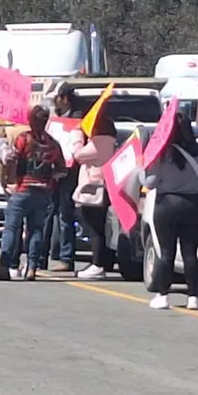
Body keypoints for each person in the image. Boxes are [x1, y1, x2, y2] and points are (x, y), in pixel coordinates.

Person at [0, 105, 64, 281]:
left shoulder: (24, 139)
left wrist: (5, 149)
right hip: (43, 191)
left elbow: (12, 159)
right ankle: (32, 267)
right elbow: (62, 169)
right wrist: (50, 178)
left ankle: (4, 265)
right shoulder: (53, 144)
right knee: (36, 230)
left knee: (11, 228)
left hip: (23, 188)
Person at [140, 114, 198, 310]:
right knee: (190, 253)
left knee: (166, 251)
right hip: (193, 203)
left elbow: (149, 183)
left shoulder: (162, 154)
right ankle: (194, 297)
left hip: (167, 203)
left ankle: (163, 295)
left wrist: (145, 167)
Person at [71, 101, 119, 280]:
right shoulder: (108, 141)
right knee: (99, 228)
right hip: (100, 186)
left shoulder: (100, 142)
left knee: (95, 228)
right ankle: (101, 263)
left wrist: (77, 136)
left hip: (94, 189)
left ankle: (98, 264)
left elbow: (78, 155)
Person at [43, 84, 85, 273]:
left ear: (65, 98)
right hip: (52, 171)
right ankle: (40, 257)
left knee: (65, 215)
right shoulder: (55, 120)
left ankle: (66, 258)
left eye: (57, 98)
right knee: (47, 214)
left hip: (68, 174)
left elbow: (77, 147)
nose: (55, 102)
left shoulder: (77, 119)